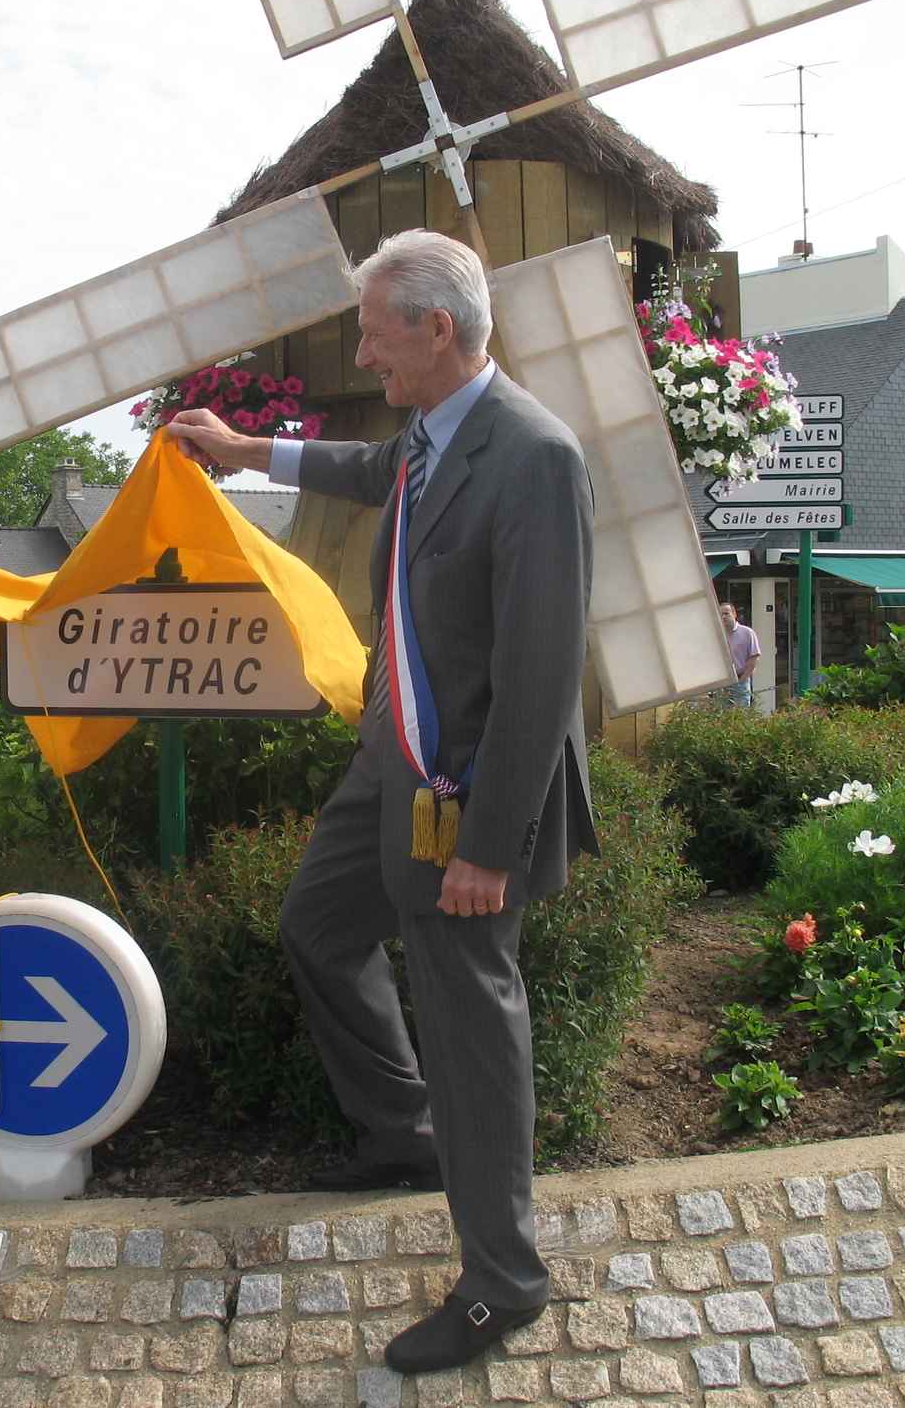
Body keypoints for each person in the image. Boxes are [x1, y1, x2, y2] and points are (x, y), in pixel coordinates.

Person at [167, 229, 596, 1376]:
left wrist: (492, 848)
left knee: (469, 1028)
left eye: (373, 332)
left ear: (436, 329)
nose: (362, 352)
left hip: (466, 794)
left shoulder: (532, 456)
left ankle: (502, 1280)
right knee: (317, 924)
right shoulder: (428, 435)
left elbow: (543, 675)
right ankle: (405, 1132)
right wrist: (243, 446)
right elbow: (369, 472)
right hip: (387, 770)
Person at [720, 603, 760, 709]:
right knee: (721, 718)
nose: (723, 617)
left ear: (734, 614)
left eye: (726, 613)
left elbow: (753, 659)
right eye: (720, 614)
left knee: (741, 716)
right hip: (722, 683)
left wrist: (742, 680)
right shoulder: (718, 635)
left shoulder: (747, 633)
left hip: (741, 680)